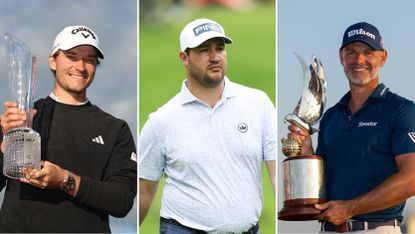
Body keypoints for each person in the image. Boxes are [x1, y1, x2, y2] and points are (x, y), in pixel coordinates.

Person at [139, 18, 275, 233]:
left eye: (220, 48)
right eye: (204, 50)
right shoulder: (161, 121)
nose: (215, 57)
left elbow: (277, 174)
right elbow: (145, 190)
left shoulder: (258, 104)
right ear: (184, 57)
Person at [0, 25, 137, 233]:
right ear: (53, 61)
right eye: (72, 57)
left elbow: (122, 200)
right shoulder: (21, 118)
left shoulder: (114, 129)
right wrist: (5, 144)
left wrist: (65, 180)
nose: (81, 66)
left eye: (90, 60)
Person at [287, 22, 415, 233]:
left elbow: (411, 178)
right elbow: (327, 183)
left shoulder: (401, 110)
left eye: (368, 52)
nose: (359, 60)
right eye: (352, 52)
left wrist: (349, 208)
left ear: (382, 58)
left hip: (375, 228)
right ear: (341, 57)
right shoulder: (331, 117)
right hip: (328, 228)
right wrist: (307, 155)